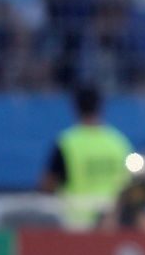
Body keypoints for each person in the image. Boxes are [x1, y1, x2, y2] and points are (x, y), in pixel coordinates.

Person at [41, 85, 135, 229]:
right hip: (112, 224)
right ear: (101, 107)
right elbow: (132, 183)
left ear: (75, 108)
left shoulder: (67, 142)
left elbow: (48, 184)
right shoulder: (119, 142)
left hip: (75, 223)